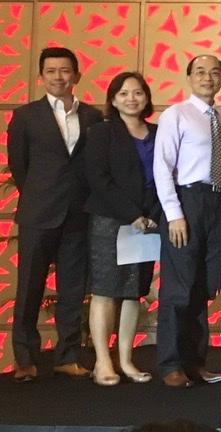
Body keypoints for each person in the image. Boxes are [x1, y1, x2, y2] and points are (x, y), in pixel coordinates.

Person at [7, 46, 104, 381]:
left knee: (73, 291)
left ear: (76, 76)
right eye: (51, 71)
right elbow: (19, 168)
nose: (58, 77)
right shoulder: (25, 116)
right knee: (29, 288)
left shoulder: (92, 116)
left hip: (78, 215)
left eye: (65, 71)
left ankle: (67, 355)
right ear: (41, 76)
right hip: (38, 214)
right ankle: (25, 359)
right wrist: (40, 196)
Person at [153, 55, 221, 388]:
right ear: (189, 77)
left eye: (215, 72)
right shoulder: (176, 115)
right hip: (186, 202)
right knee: (178, 287)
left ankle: (195, 362)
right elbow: (163, 167)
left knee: (203, 288)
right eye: (200, 72)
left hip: (218, 203)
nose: (208, 77)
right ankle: (171, 364)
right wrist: (174, 213)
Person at [83, 71, 159, 386]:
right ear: (113, 99)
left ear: (146, 97)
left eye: (138, 92)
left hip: (148, 221)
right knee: (105, 290)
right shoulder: (102, 132)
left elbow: (167, 175)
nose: (132, 98)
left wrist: (152, 213)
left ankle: (126, 359)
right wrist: (131, 214)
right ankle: (103, 361)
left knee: (133, 292)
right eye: (124, 93)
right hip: (110, 220)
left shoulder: (158, 131)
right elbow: (98, 178)